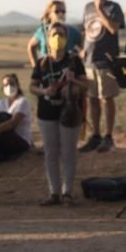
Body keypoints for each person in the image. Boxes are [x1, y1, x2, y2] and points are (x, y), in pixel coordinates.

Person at [30, 23, 89, 205]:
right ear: (48, 39)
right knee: (51, 152)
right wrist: (45, 91)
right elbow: (32, 86)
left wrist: (74, 81)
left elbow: (86, 85)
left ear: (66, 38)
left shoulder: (74, 61)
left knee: (69, 152)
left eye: (61, 34)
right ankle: (54, 192)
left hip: (69, 111)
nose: (58, 38)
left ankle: (67, 192)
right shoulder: (42, 62)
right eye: (54, 34)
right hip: (46, 112)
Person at [79, 0, 125, 153]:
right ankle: (96, 135)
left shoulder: (113, 7)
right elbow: (87, 30)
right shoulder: (87, 7)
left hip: (106, 60)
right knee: (92, 99)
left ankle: (108, 136)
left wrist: (101, 11)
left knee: (107, 99)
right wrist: (82, 49)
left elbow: (113, 29)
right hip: (89, 60)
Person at [0, 74, 32, 170]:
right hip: (2, 135)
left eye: (11, 83)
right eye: (6, 85)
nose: (9, 87)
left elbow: (13, 123)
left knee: (2, 118)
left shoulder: (22, 102)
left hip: (20, 139)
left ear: (17, 84)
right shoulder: (1, 102)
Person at [27, 0, 82, 67]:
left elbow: (84, 47)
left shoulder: (72, 31)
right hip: (46, 70)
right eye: (57, 11)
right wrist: (35, 66)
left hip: (67, 71)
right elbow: (30, 46)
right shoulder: (43, 31)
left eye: (63, 12)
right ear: (49, 14)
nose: (61, 14)